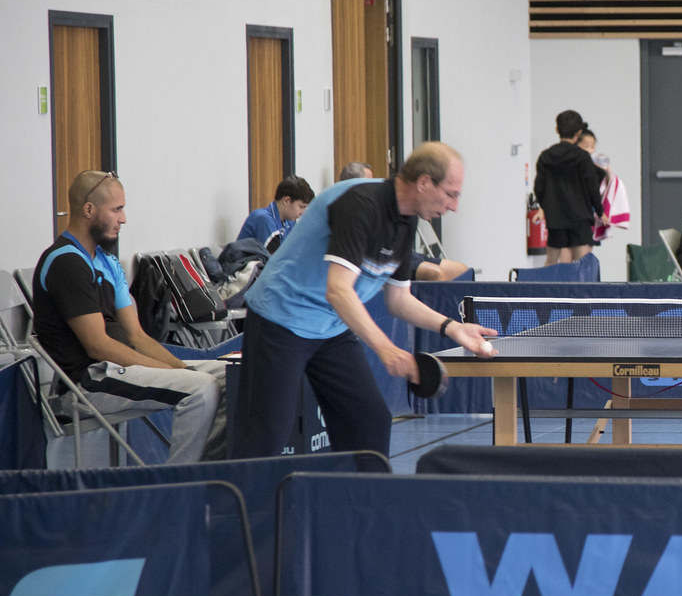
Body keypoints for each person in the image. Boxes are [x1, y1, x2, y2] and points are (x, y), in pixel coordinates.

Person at [229, 142, 496, 459]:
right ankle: (239, 507)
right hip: (280, 321)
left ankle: (363, 505)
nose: (454, 206)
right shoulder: (360, 203)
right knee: (266, 436)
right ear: (424, 182)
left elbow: (398, 299)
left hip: (328, 329)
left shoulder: (406, 218)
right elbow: (338, 290)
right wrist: (387, 350)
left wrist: (452, 328)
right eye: (451, 194)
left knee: (368, 420)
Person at [32, 170, 226, 464]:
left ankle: (218, 472)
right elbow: (99, 346)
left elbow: (137, 337)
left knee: (229, 376)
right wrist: (180, 373)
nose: (123, 219)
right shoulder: (65, 262)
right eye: (117, 210)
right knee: (201, 390)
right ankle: (178, 488)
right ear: (89, 210)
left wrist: (179, 367)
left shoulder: (107, 261)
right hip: (89, 379)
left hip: (117, 368)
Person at [342, 160, 470, 281]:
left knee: (462, 270)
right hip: (382, 255)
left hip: (405, 253)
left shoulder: (405, 215)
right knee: (435, 274)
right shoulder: (355, 210)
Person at [534, 110, 609, 265]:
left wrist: (546, 206)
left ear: (557, 130)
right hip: (580, 217)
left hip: (556, 219)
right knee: (582, 264)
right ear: (579, 132)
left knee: (552, 261)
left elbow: (539, 187)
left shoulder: (546, 156)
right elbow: (592, 187)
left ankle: (546, 289)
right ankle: (583, 290)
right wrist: (600, 211)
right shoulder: (582, 158)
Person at [576, 128, 630, 244]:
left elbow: (611, 184)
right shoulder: (573, 166)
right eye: (586, 146)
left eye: (593, 147)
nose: (590, 151)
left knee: (585, 250)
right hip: (575, 216)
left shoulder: (597, 167)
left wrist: (607, 168)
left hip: (591, 215)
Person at [236, 175, 314, 250]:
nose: (302, 213)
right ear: (287, 200)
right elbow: (275, 260)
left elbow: (298, 251)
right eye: (301, 207)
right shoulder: (263, 219)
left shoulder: (289, 223)